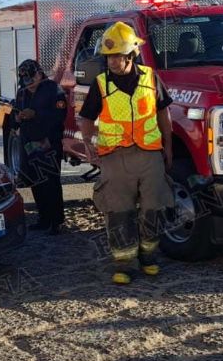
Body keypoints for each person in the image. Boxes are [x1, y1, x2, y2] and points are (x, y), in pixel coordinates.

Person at [77, 22, 174, 285]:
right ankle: (124, 263)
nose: (111, 61)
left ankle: (149, 256)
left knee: (154, 207)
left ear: (131, 55)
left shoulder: (150, 78)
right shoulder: (101, 84)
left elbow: (163, 113)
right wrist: (88, 145)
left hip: (149, 154)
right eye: (108, 56)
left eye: (117, 56)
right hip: (115, 157)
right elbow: (86, 118)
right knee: (119, 211)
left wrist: (168, 146)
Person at [14, 59, 66, 234]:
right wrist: (18, 117)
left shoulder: (53, 89)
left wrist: (36, 114)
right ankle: (43, 219)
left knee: (51, 182)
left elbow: (60, 114)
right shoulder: (22, 92)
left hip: (49, 143)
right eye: (25, 81)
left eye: (31, 80)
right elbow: (15, 112)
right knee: (36, 182)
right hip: (29, 143)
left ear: (39, 74)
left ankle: (57, 222)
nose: (28, 85)